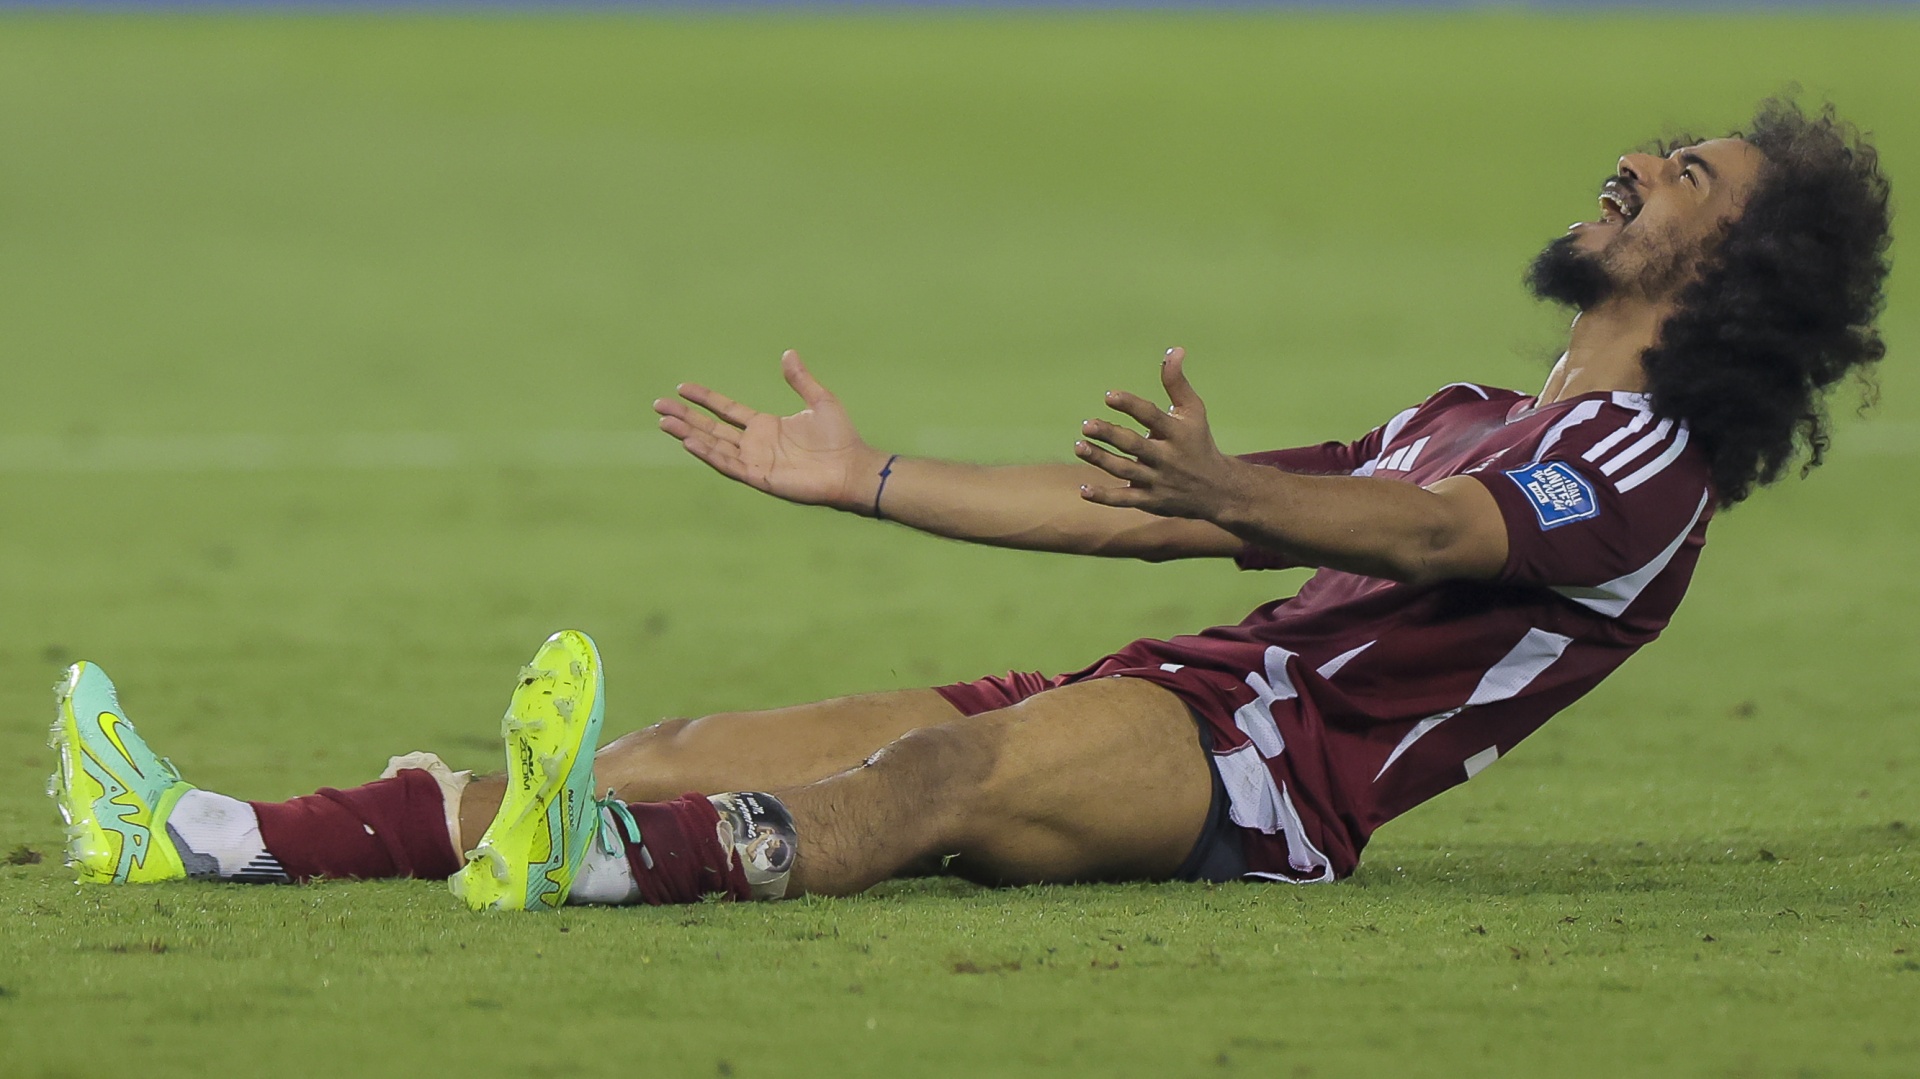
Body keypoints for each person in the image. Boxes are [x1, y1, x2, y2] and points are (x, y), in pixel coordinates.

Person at [48, 98, 1892, 910]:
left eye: (1690, 175)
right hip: (1170, 687)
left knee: (929, 785)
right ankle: (212, 833)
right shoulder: (1475, 410)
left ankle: (585, 877)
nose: (1641, 159)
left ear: (1741, 279)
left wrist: (1239, 492)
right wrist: (865, 482)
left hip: (1266, 780)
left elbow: (1433, 545)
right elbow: (1154, 522)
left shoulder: (1646, 472)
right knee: (680, 742)